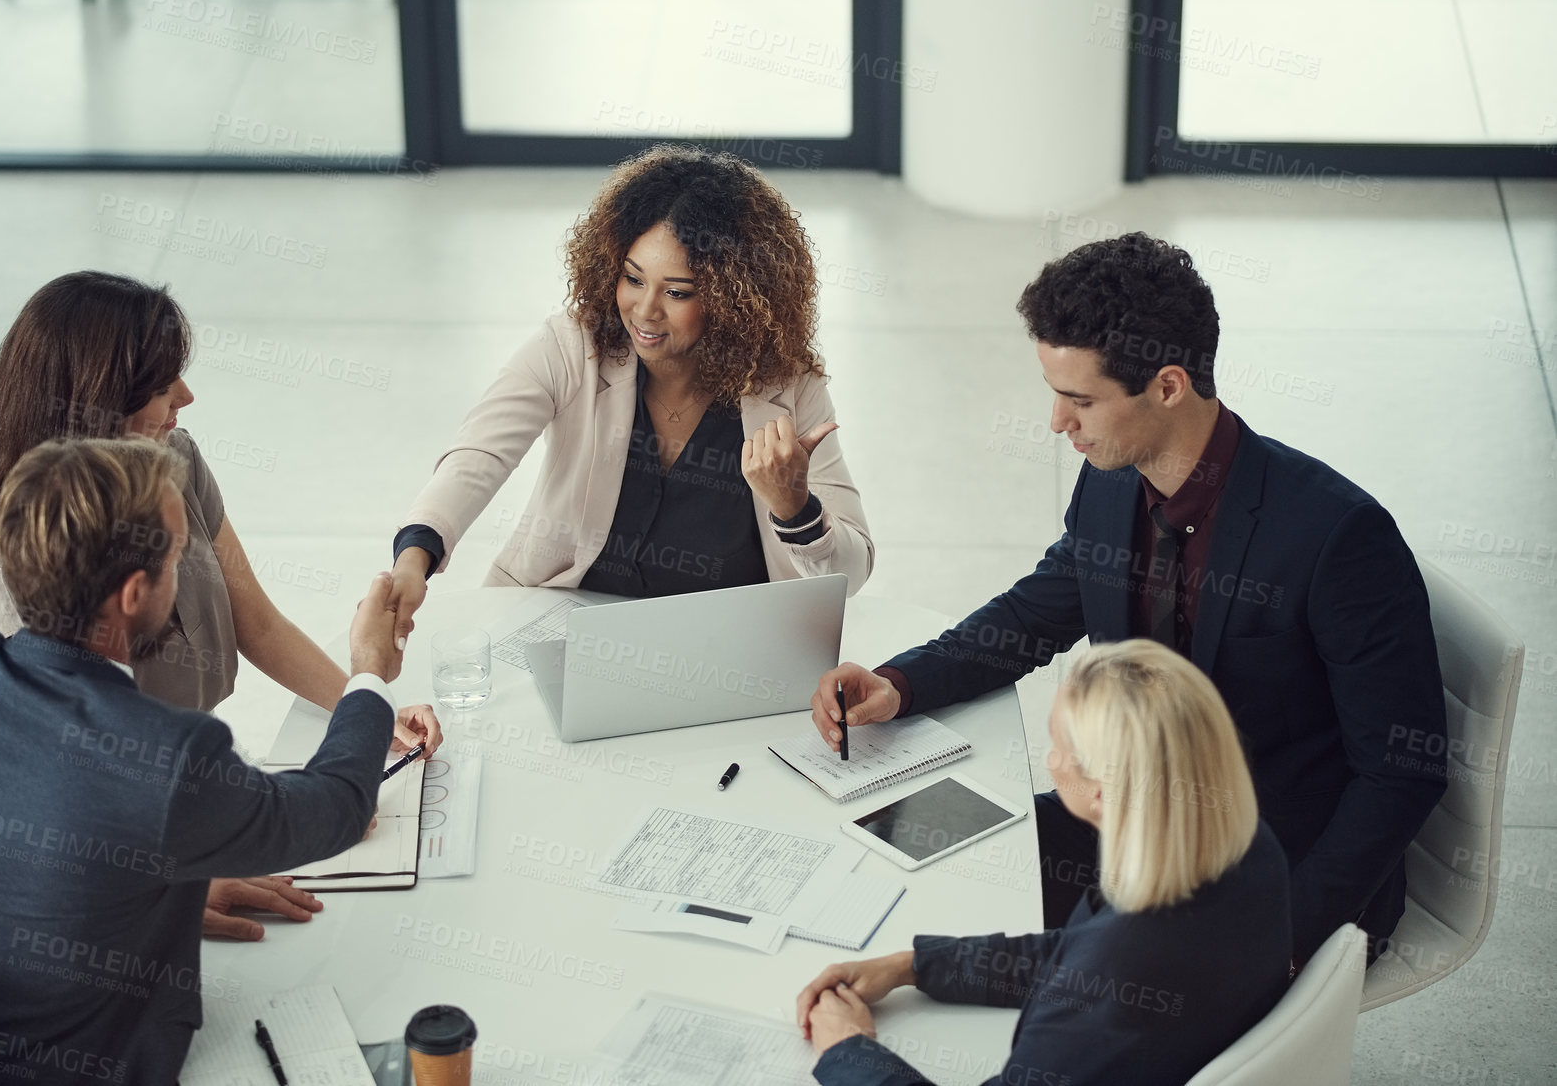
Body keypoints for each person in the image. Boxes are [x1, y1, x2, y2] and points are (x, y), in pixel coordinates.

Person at [807, 232, 1445, 964]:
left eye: (1080, 399)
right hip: (1121, 818)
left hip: (1263, 869)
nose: (1057, 423)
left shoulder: (1338, 539)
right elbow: (1036, 611)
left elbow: (1400, 772)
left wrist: (1282, 935)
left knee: (1070, 1000)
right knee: (906, 846)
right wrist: (898, 683)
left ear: (1168, 385)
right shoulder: (1114, 475)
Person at [0, 437, 436, 1085]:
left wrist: (170, 877)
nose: (186, 576)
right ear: (132, 592)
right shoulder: (163, 760)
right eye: (178, 557)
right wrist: (368, 669)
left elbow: (31, 839)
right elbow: (338, 807)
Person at [389, 144, 873, 639]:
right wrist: (415, 556)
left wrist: (796, 509)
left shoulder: (790, 386)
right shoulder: (571, 346)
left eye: (678, 292)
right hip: (559, 634)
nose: (644, 311)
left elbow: (852, 572)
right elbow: (478, 456)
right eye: (633, 279)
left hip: (724, 651)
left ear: (735, 299)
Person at [799, 641, 1291, 1086]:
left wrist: (850, 1051)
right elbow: (1074, 955)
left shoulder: (1111, 982)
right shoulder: (1247, 848)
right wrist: (914, 966)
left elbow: (1092, 972)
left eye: (1056, 747)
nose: (1049, 761)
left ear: (1099, 791)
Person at [0, 271, 420, 735]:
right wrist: (368, 671)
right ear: (97, 401)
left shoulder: (172, 458)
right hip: (141, 774)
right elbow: (93, 753)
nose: (186, 396)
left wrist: (364, 707)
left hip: (187, 755)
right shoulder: (35, 565)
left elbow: (258, 625)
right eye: (161, 388)